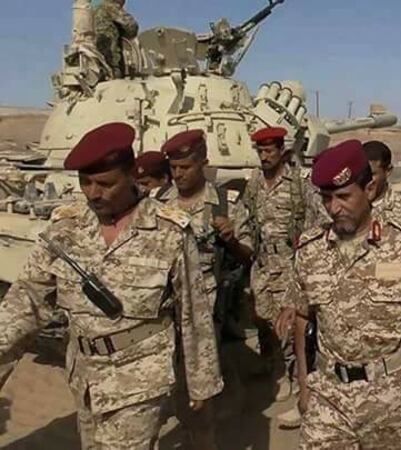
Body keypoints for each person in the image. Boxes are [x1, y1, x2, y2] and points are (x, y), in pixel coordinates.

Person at [0, 122, 222, 449]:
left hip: (141, 376)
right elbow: (26, 302)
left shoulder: (169, 232)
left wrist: (202, 382)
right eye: (85, 182)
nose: (93, 193)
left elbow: (194, 312)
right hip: (86, 376)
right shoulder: (65, 229)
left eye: (105, 183)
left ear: (132, 173)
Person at [279, 140, 401, 449]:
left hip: (394, 398)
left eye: (344, 196)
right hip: (329, 395)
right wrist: (304, 387)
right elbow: (303, 320)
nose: (334, 208)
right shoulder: (310, 250)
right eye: (327, 198)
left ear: (370, 189)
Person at [159, 129, 253, 449]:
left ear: (204, 164)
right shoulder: (157, 204)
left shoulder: (224, 205)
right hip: (163, 309)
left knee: (198, 393)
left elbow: (249, 255)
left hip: (204, 311)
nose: (178, 174)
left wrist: (231, 239)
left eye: (185, 167)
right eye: (173, 168)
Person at [242, 126, 321, 427]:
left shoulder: (300, 182)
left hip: (291, 261)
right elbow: (246, 217)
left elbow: (315, 221)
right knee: (263, 318)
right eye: (259, 151)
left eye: (268, 151)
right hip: (263, 262)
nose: (264, 156)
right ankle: (273, 368)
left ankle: (292, 375)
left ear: (281, 151)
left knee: (289, 324)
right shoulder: (253, 183)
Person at [364, 140, 401, 229]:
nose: (366, 180)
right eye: (362, 174)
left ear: (388, 171)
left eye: (372, 174)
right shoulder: (347, 206)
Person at [93, 0, 139, 78]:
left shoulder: (95, 10)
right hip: (112, 62)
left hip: (96, 62)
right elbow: (132, 28)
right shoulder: (111, 7)